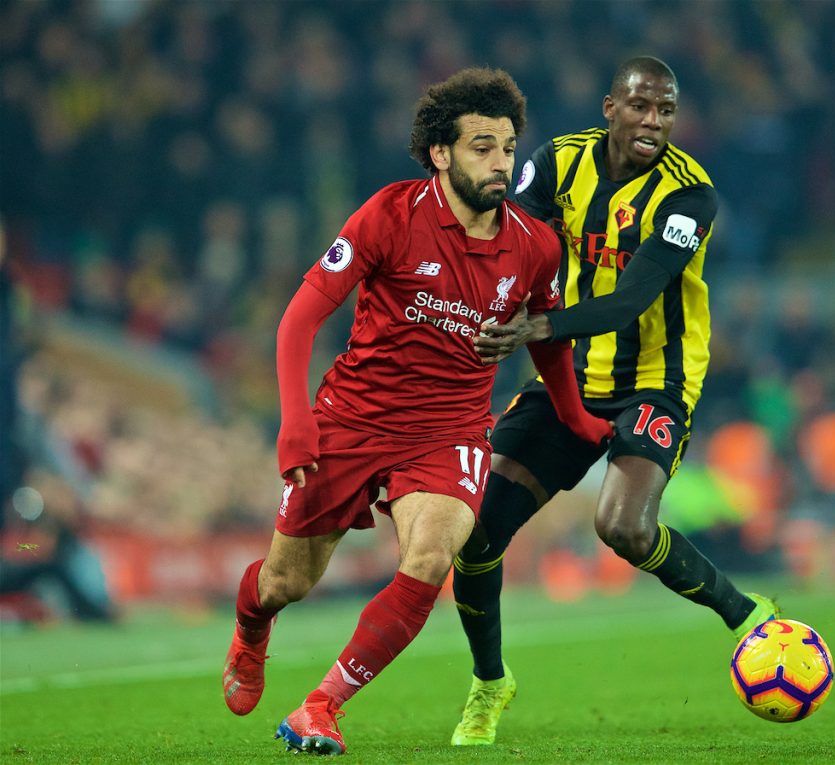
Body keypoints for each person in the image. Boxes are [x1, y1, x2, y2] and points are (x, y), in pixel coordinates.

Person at [221, 67, 612, 756]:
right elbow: (298, 321)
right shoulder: (388, 214)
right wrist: (295, 420)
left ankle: (321, 706)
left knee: (431, 557)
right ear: (441, 152)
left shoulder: (535, 246)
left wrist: (576, 418)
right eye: (482, 147)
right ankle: (252, 626)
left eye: (509, 147)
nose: (501, 163)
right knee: (288, 581)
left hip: (450, 429)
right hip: (353, 418)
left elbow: (546, 338)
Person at [449, 56, 780, 746]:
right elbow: (511, 243)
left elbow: (634, 296)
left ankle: (746, 612)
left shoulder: (691, 196)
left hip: (654, 379)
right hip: (566, 374)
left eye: (665, 111)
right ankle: (489, 682)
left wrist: (536, 326)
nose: (653, 122)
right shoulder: (557, 163)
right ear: (610, 107)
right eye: (640, 107)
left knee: (623, 526)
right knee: (476, 533)